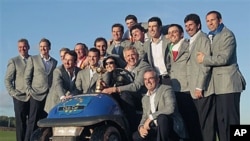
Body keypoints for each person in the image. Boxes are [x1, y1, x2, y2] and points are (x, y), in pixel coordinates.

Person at [197, 11, 246, 141]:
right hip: (217, 87)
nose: (210, 23)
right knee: (221, 122)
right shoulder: (210, 36)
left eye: (212, 20)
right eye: (207, 21)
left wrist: (204, 59)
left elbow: (224, 58)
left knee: (233, 121)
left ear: (220, 20)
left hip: (229, 84)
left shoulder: (227, 35)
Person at [102, 46, 151, 132]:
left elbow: (136, 86)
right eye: (128, 56)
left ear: (137, 55)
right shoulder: (125, 68)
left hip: (142, 96)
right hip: (129, 96)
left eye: (133, 55)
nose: (131, 58)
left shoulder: (143, 66)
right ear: (125, 58)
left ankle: (133, 127)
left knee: (124, 95)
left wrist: (115, 89)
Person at [167, 24, 202, 141]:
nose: (172, 34)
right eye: (169, 32)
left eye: (174, 32)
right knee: (182, 121)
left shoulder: (188, 45)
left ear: (181, 34)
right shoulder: (169, 48)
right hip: (175, 89)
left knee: (193, 120)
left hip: (188, 88)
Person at [133, 69, 187, 141]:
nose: (147, 81)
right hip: (155, 127)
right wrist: (141, 127)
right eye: (145, 79)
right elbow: (144, 116)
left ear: (158, 80)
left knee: (162, 118)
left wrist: (151, 117)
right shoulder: (144, 98)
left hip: (171, 127)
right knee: (136, 136)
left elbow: (170, 108)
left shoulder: (166, 89)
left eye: (150, 78)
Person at [184, 13, 214, 141]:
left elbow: (205, 65)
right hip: (192, 90)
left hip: (202, 90)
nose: (188, 28)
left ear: (198, 25)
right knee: (196, 124)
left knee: (205, 124)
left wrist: (199, 87)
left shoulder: (203, 39)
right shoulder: (190, 41)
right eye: (186, 26)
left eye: (191, 25)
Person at [24, 38, 57, 141]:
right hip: (36, 95)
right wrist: (30, 91)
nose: (43, 48)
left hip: (48, 96)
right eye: (41, 47)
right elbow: (27, 77)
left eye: (45, 46)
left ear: (49, 48)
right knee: (32, 122)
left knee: (44, 122)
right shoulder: (33, 59)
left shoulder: (54, 62)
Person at [4, 38, 30, 141]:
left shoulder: (34, 60)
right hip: (19, 97)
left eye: (24, 46)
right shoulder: (14, 61)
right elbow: (7, 80)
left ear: (28, 47)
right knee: (21, 124)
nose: (22, 49)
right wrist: (13, 93)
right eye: (20, 47)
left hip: (33, 96)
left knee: (32, 123)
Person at [144, 17, 171, 85]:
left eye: (154, 26)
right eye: (149, 27)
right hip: (156, 80)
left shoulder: (168, 41)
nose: (151, 29)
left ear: (159, 28)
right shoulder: (146, 45)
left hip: (169, 78)